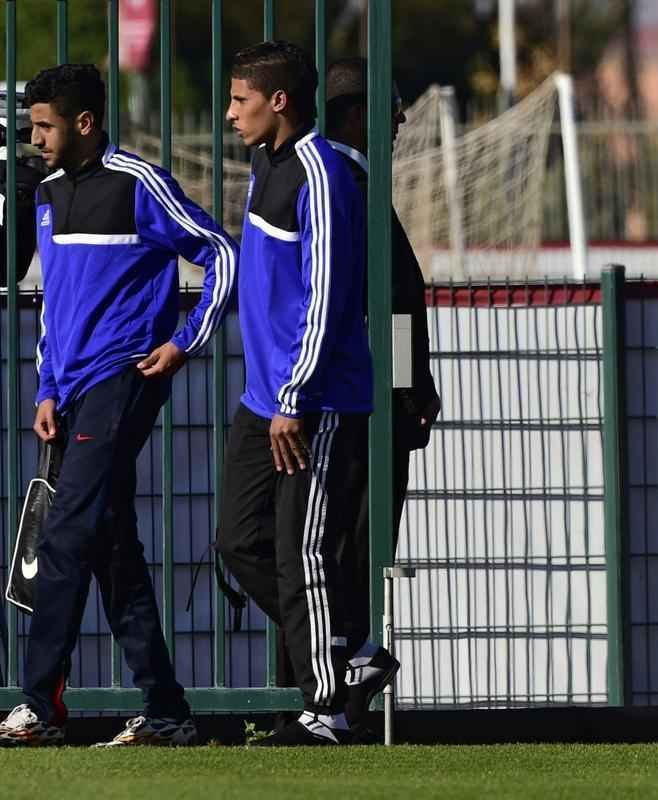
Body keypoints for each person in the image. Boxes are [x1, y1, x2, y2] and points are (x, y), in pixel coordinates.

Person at [0, 63, 237, 747]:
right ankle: (167, 713)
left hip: (124, 378)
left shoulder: (139, 183)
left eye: (44, 126)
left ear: (85, 122)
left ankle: (39, 707)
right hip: (71, 392)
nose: (34, 138)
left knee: (65, 534)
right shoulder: (45, 192)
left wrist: (186, 342)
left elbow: (220, 251)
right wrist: (46, 387)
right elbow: (54, 301)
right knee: (111, 549)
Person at [269, 56, 440, 731]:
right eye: (388, 108)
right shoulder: (352, 183)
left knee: (310, 552)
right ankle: (342, 674)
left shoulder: (308, 175)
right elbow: (394, 302)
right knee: (344, 554)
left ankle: (319, 689)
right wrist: (406, 389)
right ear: (350, 112)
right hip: (355, 402)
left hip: (317, 396)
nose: (399, 121)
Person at [216, 41, 373, 747]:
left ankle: (328, 708)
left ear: (279, 101)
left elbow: (328, 293)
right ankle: (348, 657)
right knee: (237, 540)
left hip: (311, 401)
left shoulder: (324, 172)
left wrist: (295, 396)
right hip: (264, 399)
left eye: (240, 101)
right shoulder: (263, 164)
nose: (229, 116)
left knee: (300, 551)